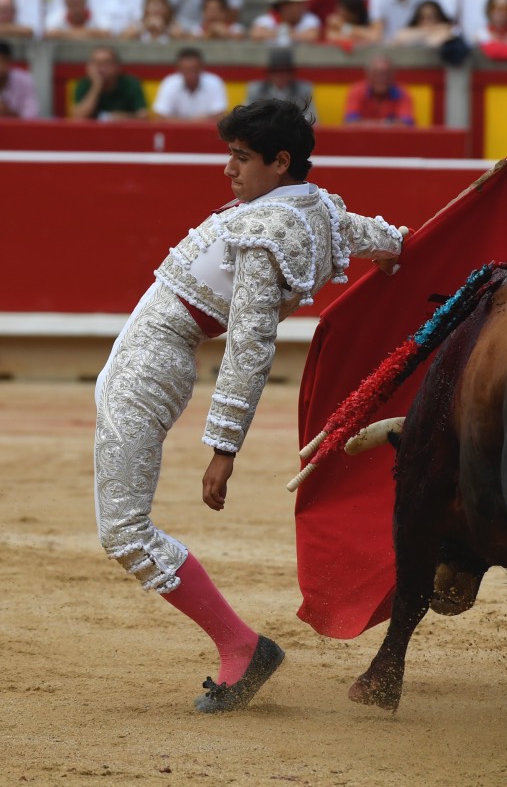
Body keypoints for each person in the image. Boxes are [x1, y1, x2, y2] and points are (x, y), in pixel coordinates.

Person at [93, 98, 408, 713]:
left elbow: (250, 345)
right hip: (148, 353)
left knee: (125, 530)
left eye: (240, 158)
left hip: (151, 359)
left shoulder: (266, 234)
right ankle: (240, 645)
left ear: (280, 160)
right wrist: (404, 250)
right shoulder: (315, 209)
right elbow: (391, 242)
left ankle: (241, 647)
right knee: (124, 525)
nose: (228, 170)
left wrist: (224, 448)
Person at [71, 45, 148, 120]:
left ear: (117, 66)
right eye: (95, 63)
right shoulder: (84, 83)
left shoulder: (131, 84)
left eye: (106, 63)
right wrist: (97, 85)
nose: (100, 67)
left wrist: (123, 118)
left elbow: (143, 117)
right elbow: (79, 117)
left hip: (123, 131)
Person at [152, 46, 228, 122]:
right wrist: (192, 123)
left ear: (201, 67)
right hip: (175, 132)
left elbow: (220, 115)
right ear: (178, 69)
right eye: (186, 69)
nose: (190, 73)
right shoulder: (169, 83)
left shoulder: (214, 82)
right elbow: (161, 116)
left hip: (207, 133)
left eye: (193, 69)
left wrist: (182, 122)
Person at [244, 47, 316, 123]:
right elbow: (246, 117)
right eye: (276, 71)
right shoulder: (255, 89)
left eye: (285, 71)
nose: (280, 75)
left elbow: (311, 117)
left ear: (291, 73)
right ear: (270, 73)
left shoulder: (304, 89)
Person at [343, 53, 415, 126]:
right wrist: (388, 124)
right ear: (368, 75)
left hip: (392, 137)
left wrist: (366, 124)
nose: (382, 78)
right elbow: (350, 123)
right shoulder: (357, 90)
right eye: (376, 73)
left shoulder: (402, 92)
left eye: (386, 74)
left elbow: (406, 125)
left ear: (393, 75)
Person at [250, 0, 320, 44]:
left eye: (302, 2)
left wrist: (283, 34)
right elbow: (256, 34)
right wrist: (283, 33)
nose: (302, 6)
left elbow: (313, 36)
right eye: (297, 3)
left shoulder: (309, 19)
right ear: (284, 6)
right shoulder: (266, 20)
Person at [45, 0, 111, 38]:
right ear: (66, 3)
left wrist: (64, 34)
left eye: (80, 3)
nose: (76, 9)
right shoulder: (56, 17)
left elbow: (106, 34)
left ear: (85, 1)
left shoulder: (98, 15)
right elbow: (49, 34)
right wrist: (92, 34)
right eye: (73, 4)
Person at [0, 38, 39, 118]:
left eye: (3, 60)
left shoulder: (24, 80)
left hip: (17, 130)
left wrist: (9, 112)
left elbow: (32, 115)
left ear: (9, 61)